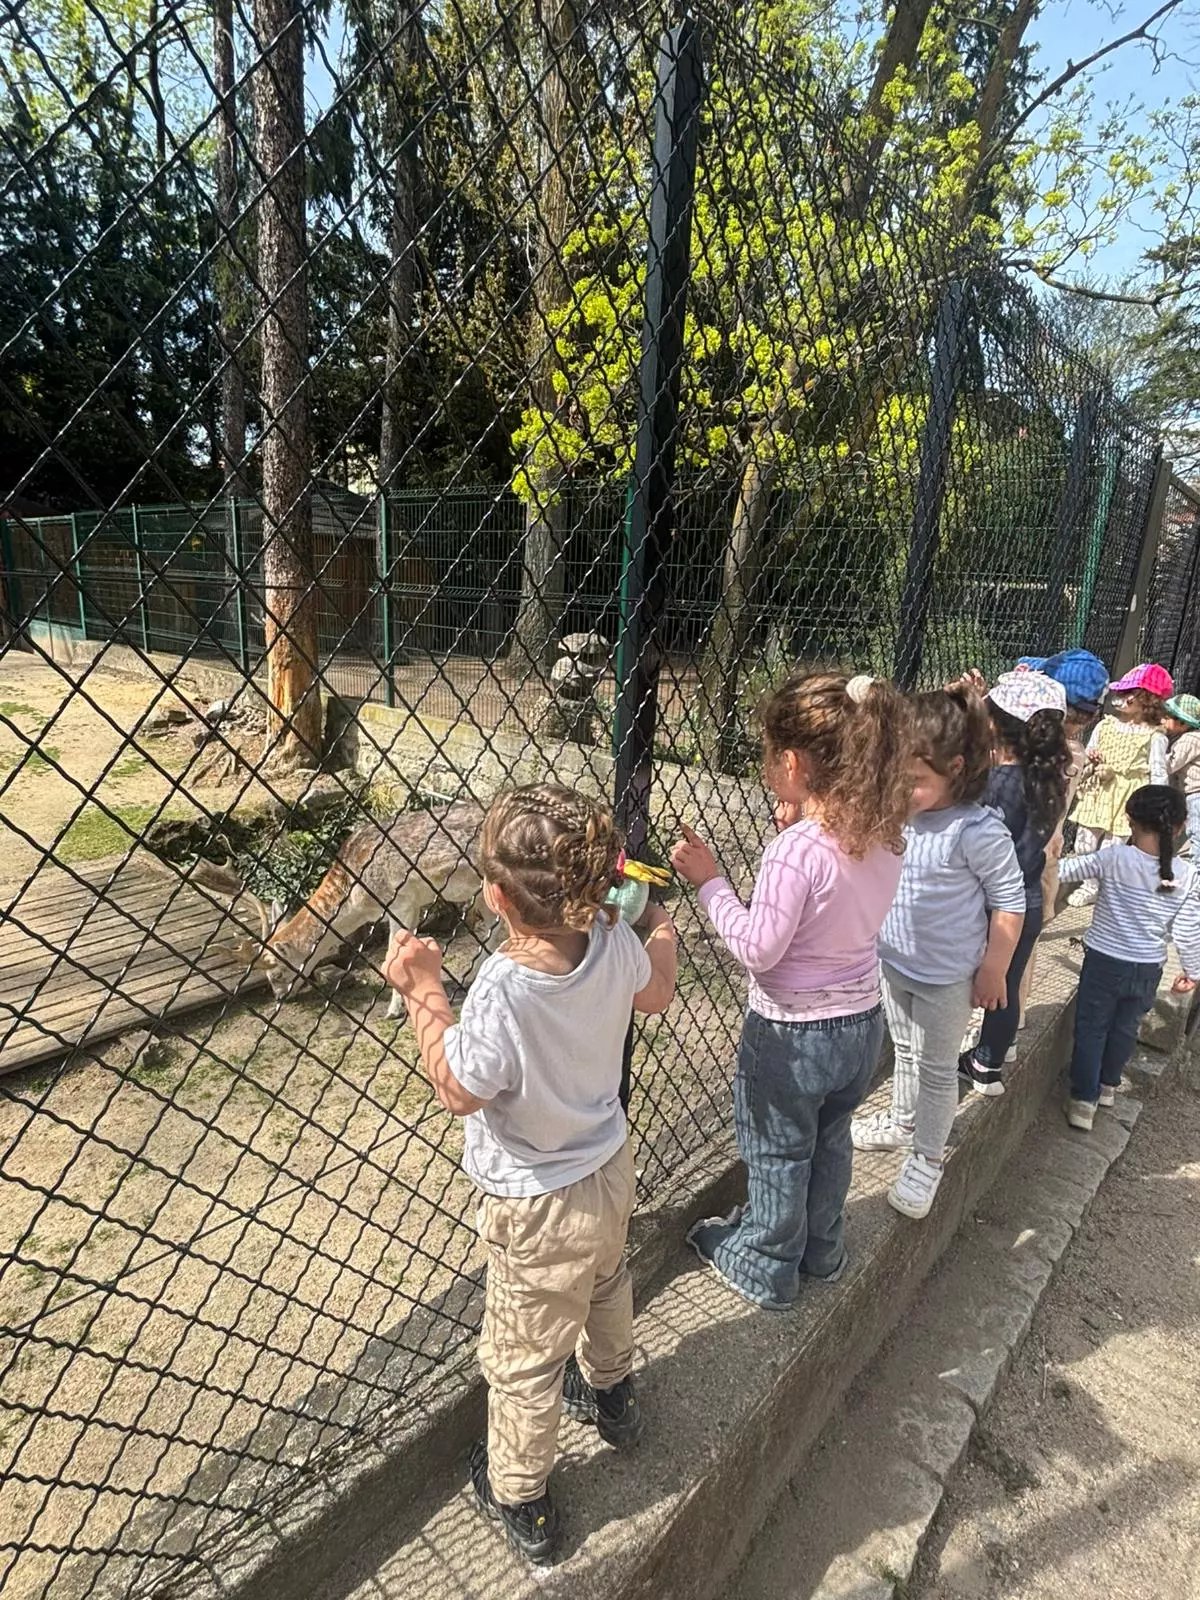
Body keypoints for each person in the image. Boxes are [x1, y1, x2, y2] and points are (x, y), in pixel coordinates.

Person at [383, 782, 677, 1565]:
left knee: (524, 1355)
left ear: (497, 900)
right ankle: (613, 1397)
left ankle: (520, 1494)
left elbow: (460, 1088)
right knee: (609, 1283)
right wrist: (659, 920)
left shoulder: (502, 990)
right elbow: (657, 995)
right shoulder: (615, 941)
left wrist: (424, 993)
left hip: (537, 1202)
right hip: (611, 1169)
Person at [670, 670, 911, 1308]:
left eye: (768, 756)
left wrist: (709, 883)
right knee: (830, 1139)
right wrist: (803, 819)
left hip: (791, 1035)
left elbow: (759, 949)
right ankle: (822, 1250)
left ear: (793, 762)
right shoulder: (886, 836)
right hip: (861, 1025)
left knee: (778, 1151)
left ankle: (768, 1263)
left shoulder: (794, 851)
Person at [852, 688, 1024, 1219]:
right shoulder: (901, 815)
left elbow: (1010, 902)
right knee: (904, 1049)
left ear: (956, 767)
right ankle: (903, 1123)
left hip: (948, 977)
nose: (903, 790)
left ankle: (928, 1157)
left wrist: (994, 967)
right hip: (895, 961)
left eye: (916, 781)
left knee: (936, 1067)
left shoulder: (976, 831)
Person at [1058, 785, 1200, 1131]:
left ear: (1129, 820)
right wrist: (1193, 971)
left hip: (1104, 961)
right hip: (1148, 967)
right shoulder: (1188, 876)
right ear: (1179, 827)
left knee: (1091, 1029)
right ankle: (1108, 1085)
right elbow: (1186, 932)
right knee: (1125, 1028)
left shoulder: (1114, 858)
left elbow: (1065, 871)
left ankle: (1083, 1100)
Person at [957, 670, 1071, 1096]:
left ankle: (975, 1062)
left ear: (995, 725)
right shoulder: (1049, 777)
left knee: (977, 981)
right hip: (1029, 899)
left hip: (992, 905)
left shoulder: (1000, 782)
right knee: (1007, 983)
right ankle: (993, 1057)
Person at [1014, 649, 1109, 1034]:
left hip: (1021, 861)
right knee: (1025, 948)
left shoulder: (1045, 753)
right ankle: (1012, 1025)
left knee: (1007, 947)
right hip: (1043, 864)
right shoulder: (1074, 751)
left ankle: (996, 1027)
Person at [1068, 662, 1174, 907]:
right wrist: (1091, 756)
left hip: (1128, 795)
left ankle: (1101, 887)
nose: (1121, 697)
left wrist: (1157, 804)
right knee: (1083, 843)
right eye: (1122, 691)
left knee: (1111, 847)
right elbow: (1088, 750)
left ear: (1147, 699)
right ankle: (1090, 883)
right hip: (1099, 790)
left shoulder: (1154, 735)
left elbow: (1158, 770)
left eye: (1129, 693)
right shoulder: (1105, 725)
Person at [1163, 692, 1200, 860]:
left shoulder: (1189, 740)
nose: (1163, 720)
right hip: (1191, 795)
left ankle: (1197, 873)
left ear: (1183, 721)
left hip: (1195, 794)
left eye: (1168, 716)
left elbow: (1170, 764)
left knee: (1196, 832)